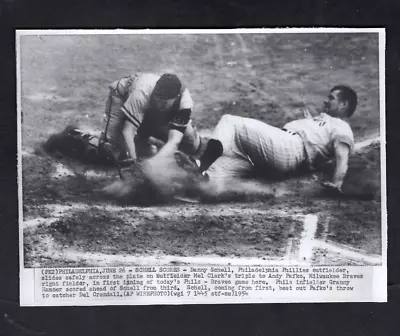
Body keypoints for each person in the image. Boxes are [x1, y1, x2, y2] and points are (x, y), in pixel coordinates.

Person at [198, 85, 358, 194]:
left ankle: (201, 167)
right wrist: (309, 123)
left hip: (288, 148)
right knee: (222, 167)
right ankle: (202, 186)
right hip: (278, 158)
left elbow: (342, 158)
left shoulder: (342, 127)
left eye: (331, 98)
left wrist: (337, 183)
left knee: (229, 122)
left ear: (344, 104)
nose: (326, 101)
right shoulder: (327, 121)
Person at [99, 72, 205, 163]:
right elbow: (128, 131)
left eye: (163, 103)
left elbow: (174, 141)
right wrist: (134, 163)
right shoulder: (142, 93)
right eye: (157, 100)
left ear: (176, 98)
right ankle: (141, 141)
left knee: (192, 145)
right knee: (111, 149)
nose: (159, 105)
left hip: (152, 110)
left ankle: (147, 141)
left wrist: (154, 163)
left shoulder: (185, 103)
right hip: (123, 96)